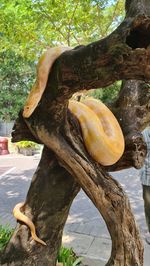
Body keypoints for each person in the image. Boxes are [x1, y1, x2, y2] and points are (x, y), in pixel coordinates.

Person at [140, 126, 150, 244]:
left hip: (147, 177)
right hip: (147, 177)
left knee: (148, 207)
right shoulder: (143, 134)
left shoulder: (143, 134)